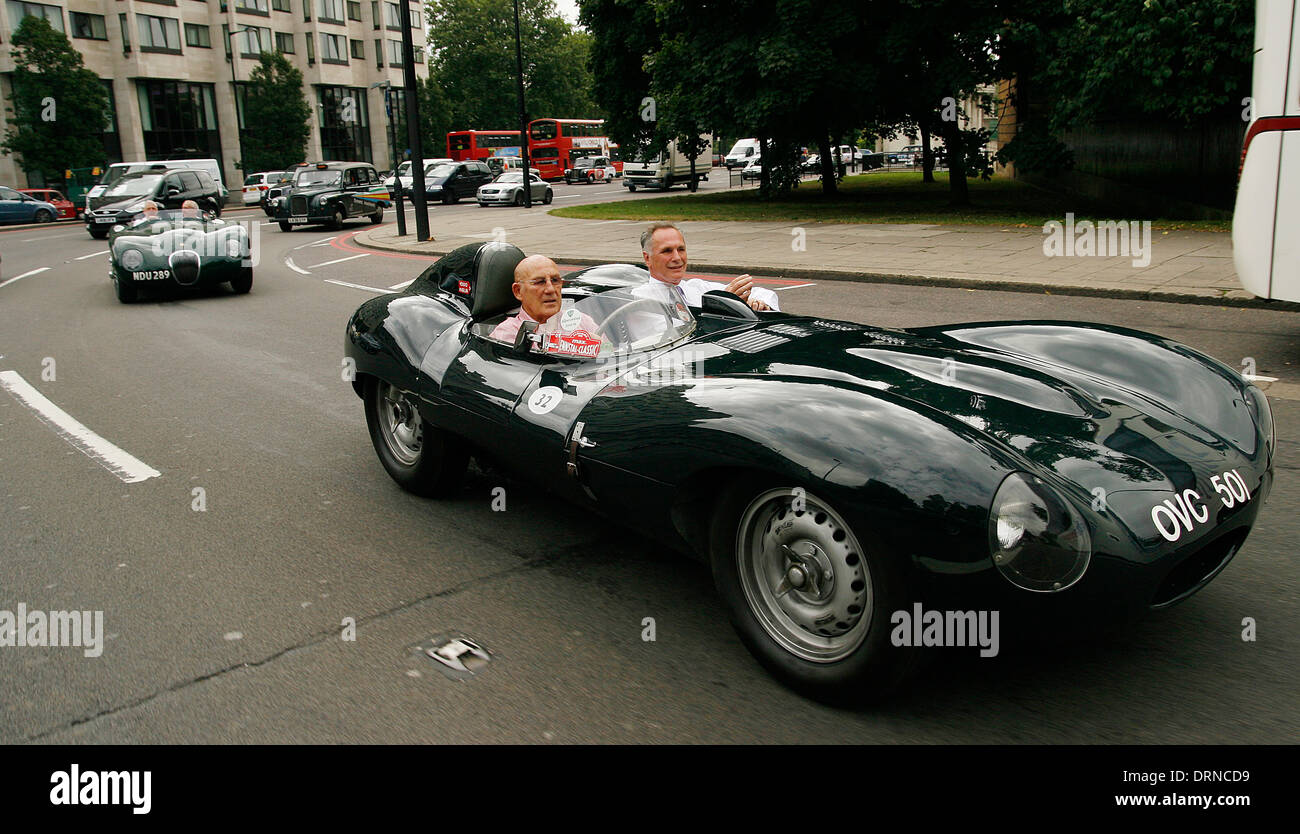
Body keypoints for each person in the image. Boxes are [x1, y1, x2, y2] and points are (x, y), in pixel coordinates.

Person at [639, 222, 780, 312]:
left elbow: (765, 294)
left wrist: (759, 304)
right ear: (647, 258)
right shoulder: (639, 301)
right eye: (667, 251)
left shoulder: (697, 287)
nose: (677, 258)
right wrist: (721, 307)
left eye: (681, 249)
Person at [490, 255, 600, 347]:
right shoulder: (507, 334)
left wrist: (600, 348)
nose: (551, 289)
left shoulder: (583, 322)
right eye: (540, 282)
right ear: (518, 291)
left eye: (555, 280)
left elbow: (610, 354)